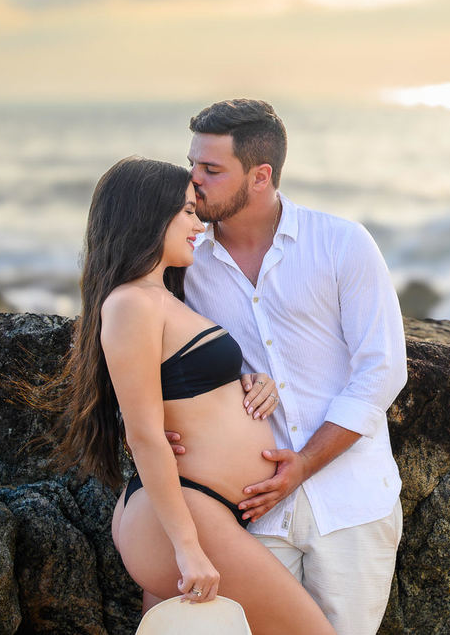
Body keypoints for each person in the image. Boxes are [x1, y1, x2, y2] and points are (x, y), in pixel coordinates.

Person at [46, 157, 334, 635]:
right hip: (183, 519)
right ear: (146, 217)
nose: (198, 224)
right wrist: (187, 547)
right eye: (185, 212)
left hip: (197, 513)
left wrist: (249, 381)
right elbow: (144, 435)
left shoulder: (165, 299)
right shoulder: (130, 304)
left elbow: (186, 387)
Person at [172, 99, 407, 635]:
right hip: (249, 511)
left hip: (350, 503)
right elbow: (172, 364)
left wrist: (304, 463)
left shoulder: (342, 243)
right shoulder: (187, 263)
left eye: (210, 170)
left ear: (261, 176)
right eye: (192, 165)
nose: (192, 182)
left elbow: (382, 370)